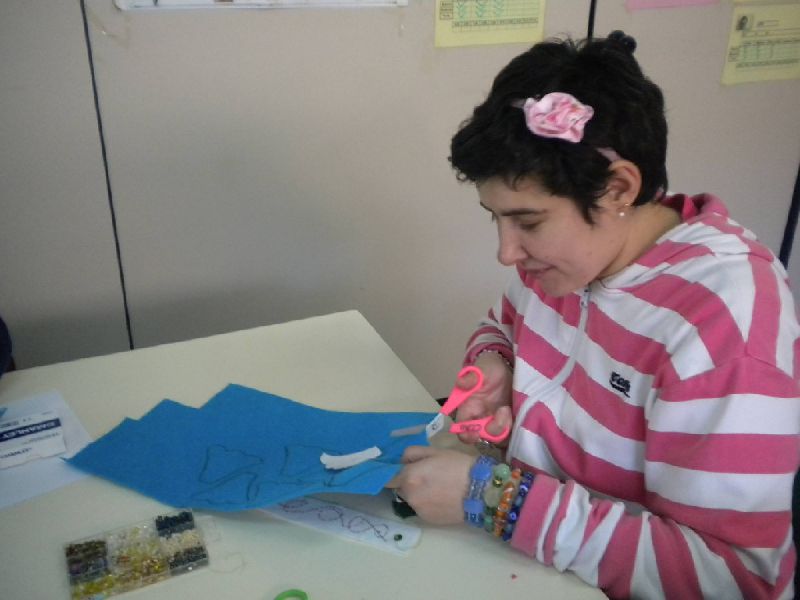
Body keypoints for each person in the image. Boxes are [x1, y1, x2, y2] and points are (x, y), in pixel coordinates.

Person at [387, 31, 800, 599]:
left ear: (619, 189)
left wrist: (491, 497)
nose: (506, 252)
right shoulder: (567, 263)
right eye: (494, 217)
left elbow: (731, 577)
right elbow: (502, 323)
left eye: (528, 222)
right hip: (539, 562)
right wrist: (495, 363)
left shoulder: (723, 328)